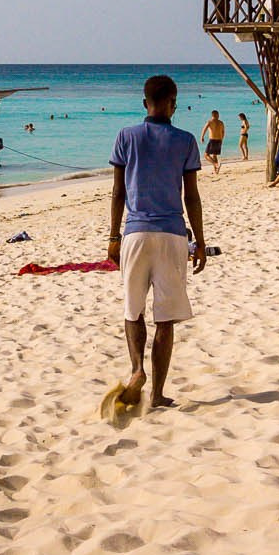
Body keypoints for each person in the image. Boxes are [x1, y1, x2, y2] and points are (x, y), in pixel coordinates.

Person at [106, 75, 206, 411]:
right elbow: (191, 195)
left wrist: (113, 236)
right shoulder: (186, 140)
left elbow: (118, 192)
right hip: (172, 235)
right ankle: (159, 393)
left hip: (134, 234)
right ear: (173, 102)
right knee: (165, 319)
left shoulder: (126, 136)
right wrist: (201, 241)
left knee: (132, 311)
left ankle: (137, 371)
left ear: (144, 103)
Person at [201, 110, 225, 176]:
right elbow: (223, 132)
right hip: (219, 140)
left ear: (212, 115)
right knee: (214, 155)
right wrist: (221, 140)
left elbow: (204, 129)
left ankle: (216, 164)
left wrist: (202, 137)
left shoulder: (210, 122)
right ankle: (216, 170)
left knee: (206, 155)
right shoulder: (221, 122)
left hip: (212, 140)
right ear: (216, 115)